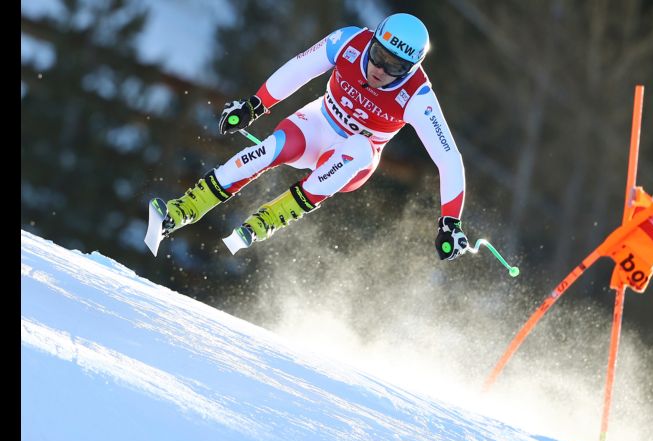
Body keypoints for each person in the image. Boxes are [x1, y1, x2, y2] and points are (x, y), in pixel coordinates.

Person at [154, 12, 469, 260]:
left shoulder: (418, 97)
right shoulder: (348, 41)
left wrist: (450, 222)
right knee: (268, 150)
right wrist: (255, 105)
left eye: (395, 67)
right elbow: (301, 67)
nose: (380, 70)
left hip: (352, 158)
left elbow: (449, 158)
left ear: (411, 69)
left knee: (359, 147)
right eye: (378, 55)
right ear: (372, 40)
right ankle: (181, 211)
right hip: (319, 122)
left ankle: (265, 221)